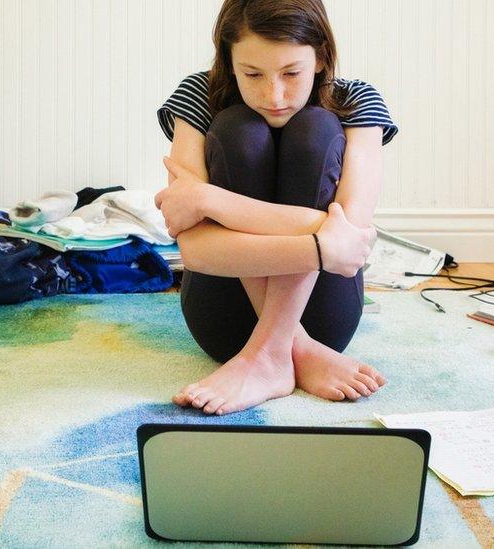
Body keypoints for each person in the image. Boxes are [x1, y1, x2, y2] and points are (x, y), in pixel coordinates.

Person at [154, 0, 398, 416]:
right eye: (253, 74)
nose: (275, 95)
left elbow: (351, 240)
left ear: (320, 56)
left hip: (326, 316)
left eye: (291, 73)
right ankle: (286, 349)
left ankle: (268, 354)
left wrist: (210, 199)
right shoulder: (199, 94)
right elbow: (196, 251)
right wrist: (319, 245)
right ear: (228, 61)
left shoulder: (357, 101)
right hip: (224, 318)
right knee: (236, 129)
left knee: (317, 128)